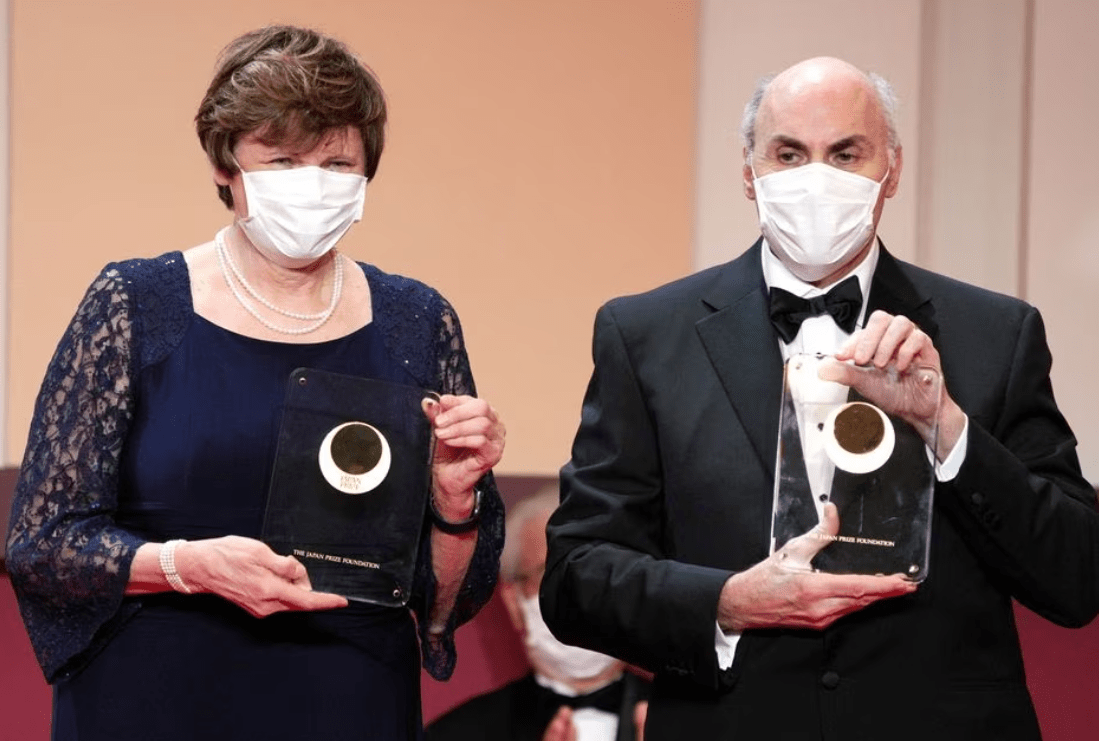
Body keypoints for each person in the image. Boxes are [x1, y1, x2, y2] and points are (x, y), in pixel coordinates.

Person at [540, 56, 1099, 740]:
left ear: (891, 169)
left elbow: (1076, 579)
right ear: (749, 173)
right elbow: (576, 577)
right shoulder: (646, 335)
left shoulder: (994, 334)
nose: (815, 178)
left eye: (845, 153)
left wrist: (947, 428)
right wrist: (727, 602)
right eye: (788, 154)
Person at [4, 25, 505, 741]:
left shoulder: (417, 322)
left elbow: (441, 604)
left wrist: (455, 504)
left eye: (337, 162)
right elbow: (43, 544)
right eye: (283, 160)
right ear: (225, 167)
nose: (313, 184)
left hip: (348, 701)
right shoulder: (135, 305)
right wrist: (186, 565)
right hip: (152, 701)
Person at [426, 487, 649, 741]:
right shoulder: (455, 735)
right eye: (553, 573)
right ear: (514, 601)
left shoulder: (682, 722)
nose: (580, 594)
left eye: (600, 571)